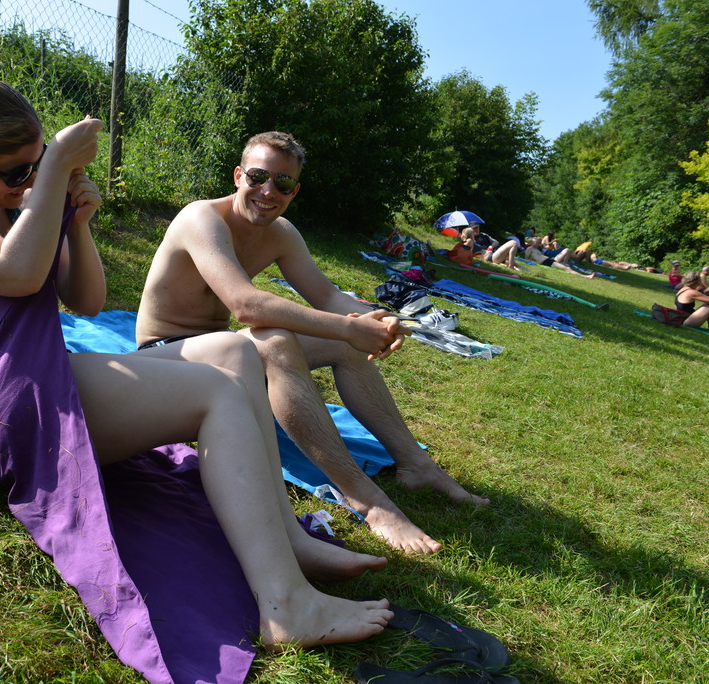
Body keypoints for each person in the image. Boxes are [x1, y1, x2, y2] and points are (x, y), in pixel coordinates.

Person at [0, 79, 393, 678]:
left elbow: (85, 301)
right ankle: (286, 606)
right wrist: (53, 174)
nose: (28, 180)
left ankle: (286, 538)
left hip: (37, 374)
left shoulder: (15, 202)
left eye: (37, 162)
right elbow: (16, 273)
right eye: (17, 171)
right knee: (214, 393)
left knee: (233, 353)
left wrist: (77, 224)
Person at [135, 131, 489, 556]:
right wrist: (344, 327)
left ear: (294, 191)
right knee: (275, 340)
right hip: (166, 359)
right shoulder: (202, 219)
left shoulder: (281, 233)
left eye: (282, 183)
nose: (268, 191)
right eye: (258, 176)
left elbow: (328, 297)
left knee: (344, 344)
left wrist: (376, 319)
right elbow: (245, 305)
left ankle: (416, 465)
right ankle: (367, 500)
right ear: (238, 175)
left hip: (222, 353)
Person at [524, 237, 594, 279]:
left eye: (539, 242)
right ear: (533, 242)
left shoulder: (536, 249)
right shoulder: (530, 249)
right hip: (546, 262)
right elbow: (526, 259)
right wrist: (536, 262)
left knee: (566, 251)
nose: (538, 243)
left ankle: (585, 276)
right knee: (567, 269)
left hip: (549, 260)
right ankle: (586, 276)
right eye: (537, 242)